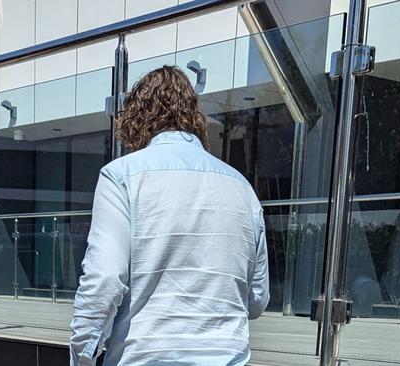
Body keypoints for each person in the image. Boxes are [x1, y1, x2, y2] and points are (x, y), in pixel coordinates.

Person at [70, 66, 269, 365]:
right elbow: (256, 299)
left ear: (137, 119)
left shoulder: (121, 176)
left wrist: (81, 356)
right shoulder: (242, 187)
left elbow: (106, 278)